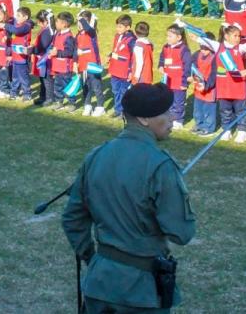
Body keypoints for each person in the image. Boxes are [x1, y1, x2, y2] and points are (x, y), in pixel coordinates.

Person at [61, 83, 196, 312]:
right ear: (144, 119)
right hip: (140, 292)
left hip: (100, 282)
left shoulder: (97, 155)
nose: (172, 117)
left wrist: (92, 258)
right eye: (165, 112)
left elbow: (73, 219)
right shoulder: (161, 166)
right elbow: (182, 233)